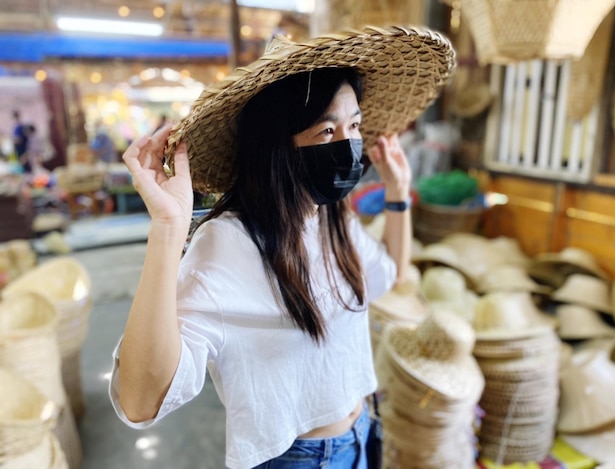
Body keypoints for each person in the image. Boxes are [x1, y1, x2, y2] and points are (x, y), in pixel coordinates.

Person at [109, 26, 455, 468]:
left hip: (363, 433)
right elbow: (141, 399)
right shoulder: (229, 244)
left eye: (354, 126)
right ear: (277, 145)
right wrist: (168, 229)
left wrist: (398, 194)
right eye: (327, 129)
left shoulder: (331, 216)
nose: (348, 145)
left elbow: (391, 277)